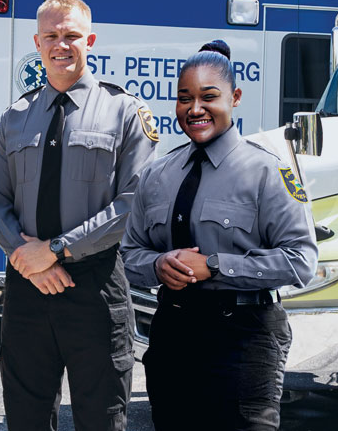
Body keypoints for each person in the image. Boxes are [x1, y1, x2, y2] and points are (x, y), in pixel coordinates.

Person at [0, 0, 157, 431]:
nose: (62, 45)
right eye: (52, 36)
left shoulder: (124, 111)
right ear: (37, 43)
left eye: (72, 35)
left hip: (95, 287)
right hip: (26, 289)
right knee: (26, 417)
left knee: (102, 417)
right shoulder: (15, 117)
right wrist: (31, 261)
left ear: (90, 40)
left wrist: (55, 250)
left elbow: (133, 202)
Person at [123, 40, 316, 431]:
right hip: (174, 334)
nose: (195, 109)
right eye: (184, 98)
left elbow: (301, 260)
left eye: (208, 97)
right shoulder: (156, 175)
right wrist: (158, 265)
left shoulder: (268, 172)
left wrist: (214, 266)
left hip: (245, 337)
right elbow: (127, 255)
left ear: (235, 97)